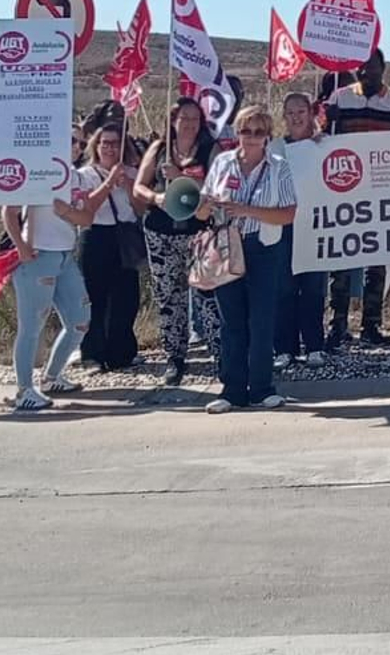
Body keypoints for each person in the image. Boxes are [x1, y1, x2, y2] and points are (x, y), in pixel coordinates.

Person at [197, 103, 298, 414]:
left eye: (258, 132)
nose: (251, 137)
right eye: (245, 131)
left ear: (267, 135)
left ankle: (262, 388)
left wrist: (246, 210)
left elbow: (288, 213)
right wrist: (204, 205)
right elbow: (202, 209)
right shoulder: (222, 163)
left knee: (262, 320)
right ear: (237, 133)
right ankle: (232, 390)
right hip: (227, 246)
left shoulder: (278, 166)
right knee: (232, 321)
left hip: (263, 248)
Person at [0, 152, 114, 412]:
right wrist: (21, 248)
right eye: (69, 139)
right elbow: (10, 211)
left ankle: (52, 378)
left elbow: (86, 219)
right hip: (38, 256)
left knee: (80, 319)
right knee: (32, 325)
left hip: (65, 255)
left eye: (75, 141)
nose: (73, 146)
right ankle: (24, 390)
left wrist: (68, 211)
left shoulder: (73, 176)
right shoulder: (35, 171)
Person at [327, 50, 390, 346]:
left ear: (383, 68)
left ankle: (371, 325)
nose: (366, 72)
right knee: (339, 261)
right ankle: (337, 324)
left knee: (375, 262)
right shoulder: (338, 98)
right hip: (344, 191)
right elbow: (320, 140)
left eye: (372, 67)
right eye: (361, 67)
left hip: (381, 192)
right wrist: (326, 122)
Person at [133, 98, 220, 386]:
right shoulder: (159, 149)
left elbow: (216, 188)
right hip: (161, 231)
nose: (190, 124)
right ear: (174, 120)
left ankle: (220, 353)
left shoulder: (210, 150)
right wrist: (156, 197)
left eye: (196, 118)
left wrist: (182, 177)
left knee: (208, 294)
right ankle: (175, 356)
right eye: (185, 118)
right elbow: (139, 186)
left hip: (199, 231)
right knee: (169, 296)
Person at [75, 123, 144, 371]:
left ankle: (121, 352)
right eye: (105, 143)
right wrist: (109, 183)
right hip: (96, 236)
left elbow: (140, 208)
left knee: (126, 297)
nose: (110, 148)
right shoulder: (86, 174)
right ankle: (92, 354)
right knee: (95, 298)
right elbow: (87, 209)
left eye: (115, 143)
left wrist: (126, 185)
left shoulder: (132, 173)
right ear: (97, 145)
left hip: (124, 237)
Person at [274, 92, 327, 369]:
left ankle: (315, 345)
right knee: (283, 288)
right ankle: (285, 348)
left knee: (313, 288)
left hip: (316, 226)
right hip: (284, 226)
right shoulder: (274, 147)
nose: (296, 117)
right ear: (284, 116)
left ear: (310, 114)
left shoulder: (322, 145)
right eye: (291, 112)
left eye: (301, 112)